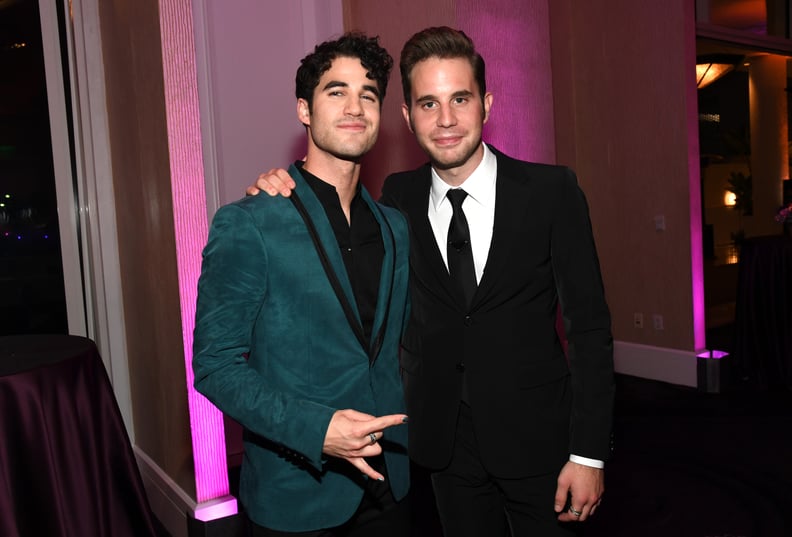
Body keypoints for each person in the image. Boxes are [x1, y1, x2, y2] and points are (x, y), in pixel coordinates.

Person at [250, 26, 614, 537]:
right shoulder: (395, 200)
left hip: (543, 448)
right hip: (442, 451)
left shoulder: (552, 192)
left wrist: (589, 454)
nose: (445, 121)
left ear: (485, 104)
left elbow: (591, 331)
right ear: (406, 117)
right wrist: (279, 185)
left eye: (460, 99)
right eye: (427, 104)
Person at [192, 33, 412, 537]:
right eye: (337, 91)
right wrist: (319, 431)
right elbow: (214, 366)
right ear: (304, 110)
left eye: (369, 94)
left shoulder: (395, 228)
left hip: (390, 488)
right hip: (297, 496)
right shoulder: (250, 222)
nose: (355, 106)